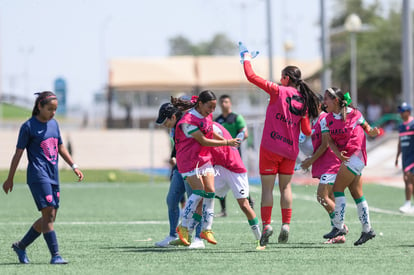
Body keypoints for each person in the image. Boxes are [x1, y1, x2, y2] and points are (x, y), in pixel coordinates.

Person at [239, 41, 320, 246]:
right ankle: (286, 225)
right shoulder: (302, 99)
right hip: (290, 151)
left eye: (281, 76)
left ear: (285, 78)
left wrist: (246, 57)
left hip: (270, 148)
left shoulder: (277, 90)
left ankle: (267, 225)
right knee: (285, 188)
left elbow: (251, 76)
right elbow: (307, 131)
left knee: (267, 189)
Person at [2, 91, 84, 264]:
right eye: (49, 109)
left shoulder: (54, 124)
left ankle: (21, 246)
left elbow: (60, 147)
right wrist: (10, 178)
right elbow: (18, 154)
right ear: (39, 107)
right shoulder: (28, 126)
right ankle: (55, 255)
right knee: (48, 214)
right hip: (38, 175)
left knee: (51, 216)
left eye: (55, 109)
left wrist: (73, 166)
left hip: (53, 175)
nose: (53, 113)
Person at [171, 91, 241, 246]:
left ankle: (206, 229)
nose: (212, 110)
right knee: (199, 192)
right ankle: (182, 228)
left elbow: (210, 132)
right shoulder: (188, 120)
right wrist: (227, 143)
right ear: (200, 104)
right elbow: (203, 140)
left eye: (214, 107)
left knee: (210, 191)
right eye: (210, 106)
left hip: (203, 158)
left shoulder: (206, 114)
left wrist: (226, 140)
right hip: (188, 161)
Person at [321, 87, 379, 246]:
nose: (324, 102)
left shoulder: (355, 114)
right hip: (347, 158)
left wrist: (372, 131)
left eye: (327, 98)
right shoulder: (327, 119)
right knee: (356, 193)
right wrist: (338, 155)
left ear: (336, 101)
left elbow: (367, 127)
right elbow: (329, 142)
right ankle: (367, 230)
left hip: (357, 156)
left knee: (337, 189)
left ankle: (339, 227)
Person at [211, 122, 264, 250]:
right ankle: (194, 235)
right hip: (218, 168)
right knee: (203, 196)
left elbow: (211, 138)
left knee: (244, 205)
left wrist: (230, 141)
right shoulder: (199, 124)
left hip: (235, 169)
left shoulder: (211, 126)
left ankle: (260, 240)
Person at [300, 94, 344, 244]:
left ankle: (340, 226)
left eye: (311, 104)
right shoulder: (316, 121)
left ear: (319, 104)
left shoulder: (325, 118)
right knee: (330, 198)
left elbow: (325, 144)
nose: (307, 107)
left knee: (321, 197)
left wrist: (310, 161)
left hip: (332, 163)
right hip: (324, 164)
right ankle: (338, 235)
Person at [154, 102, 196, 248]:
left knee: (195, 202)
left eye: (165, 121)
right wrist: (173, 156)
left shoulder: (186, 125)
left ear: (173, 116)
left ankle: (198, 238)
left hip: (192, 168)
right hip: (179, 168)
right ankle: (172, 235)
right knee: (171, 200)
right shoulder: (173, 129)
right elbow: (177, 145)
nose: (164, 124)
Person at [214, 94, 254, 217]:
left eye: (226, 101)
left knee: (240, 179)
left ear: (230, 103)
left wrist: (237, 141)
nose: (223, 104)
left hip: (235, 154)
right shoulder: (218, 120)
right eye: (221, 102)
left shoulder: (237, 118)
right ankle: (223, 210)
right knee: (220, 180)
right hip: (221, 156)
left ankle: (249, 202)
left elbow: (244, 133)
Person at [395, 102, 414, 213]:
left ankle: (407, 203)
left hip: (412, 156)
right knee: (410, 180)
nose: (401, 114)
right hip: (405, 157)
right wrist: (397, 157)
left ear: (408, 112)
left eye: (403, 111)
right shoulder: (401, 126)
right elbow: (400, 142)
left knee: (407, 178)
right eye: (400, 111)